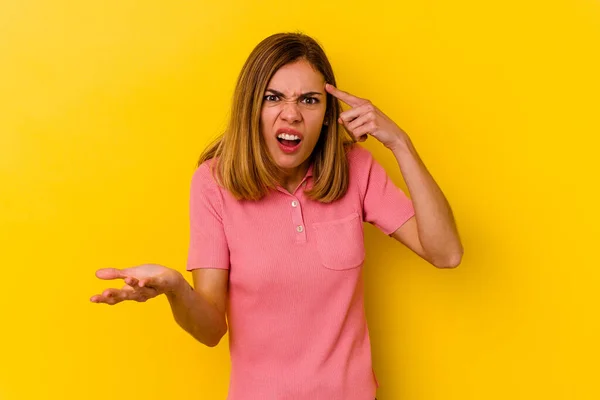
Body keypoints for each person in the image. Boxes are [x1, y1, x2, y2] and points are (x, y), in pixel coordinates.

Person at [90, 32, 463, 400]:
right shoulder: (213, 184)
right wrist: (175, 288)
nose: (292, 114)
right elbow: (209, 330)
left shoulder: (355, 169)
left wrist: (400, 143)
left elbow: (446, 253)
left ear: (329, 116)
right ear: (251, 108)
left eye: (309, 100)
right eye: (273, 98)